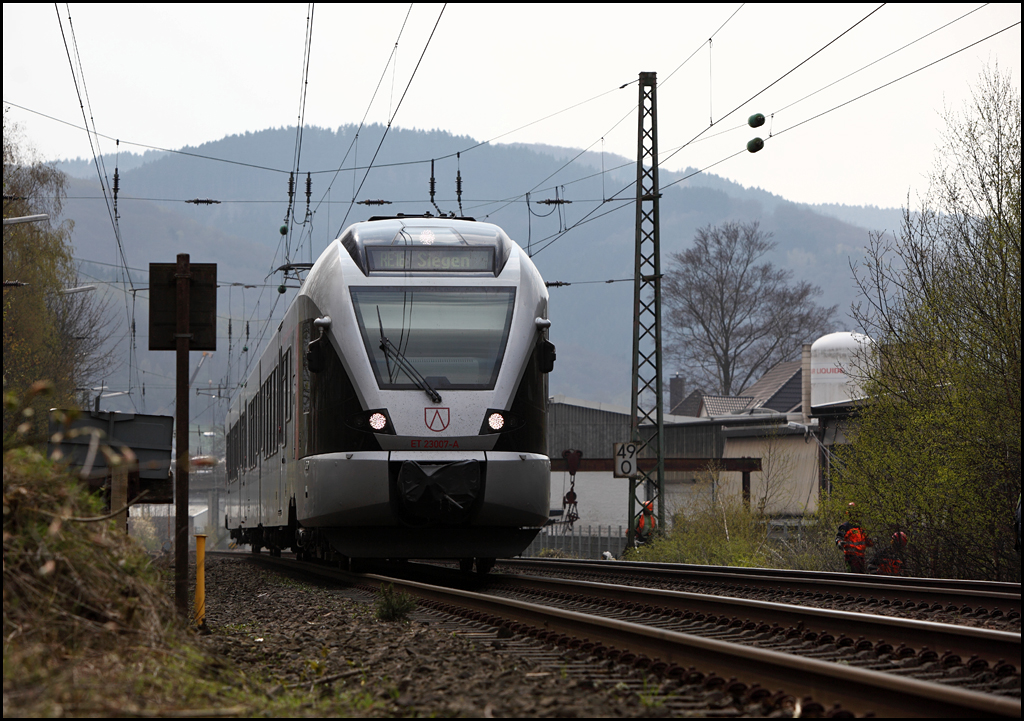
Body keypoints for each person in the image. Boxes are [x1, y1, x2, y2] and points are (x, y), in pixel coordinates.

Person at [836, 502, 871, 573]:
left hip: (861, 558)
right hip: (850, 558)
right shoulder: (845, 526)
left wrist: (871, 541)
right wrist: (839, 543)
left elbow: (868, 541)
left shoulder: (862, 527)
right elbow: (839, 537)